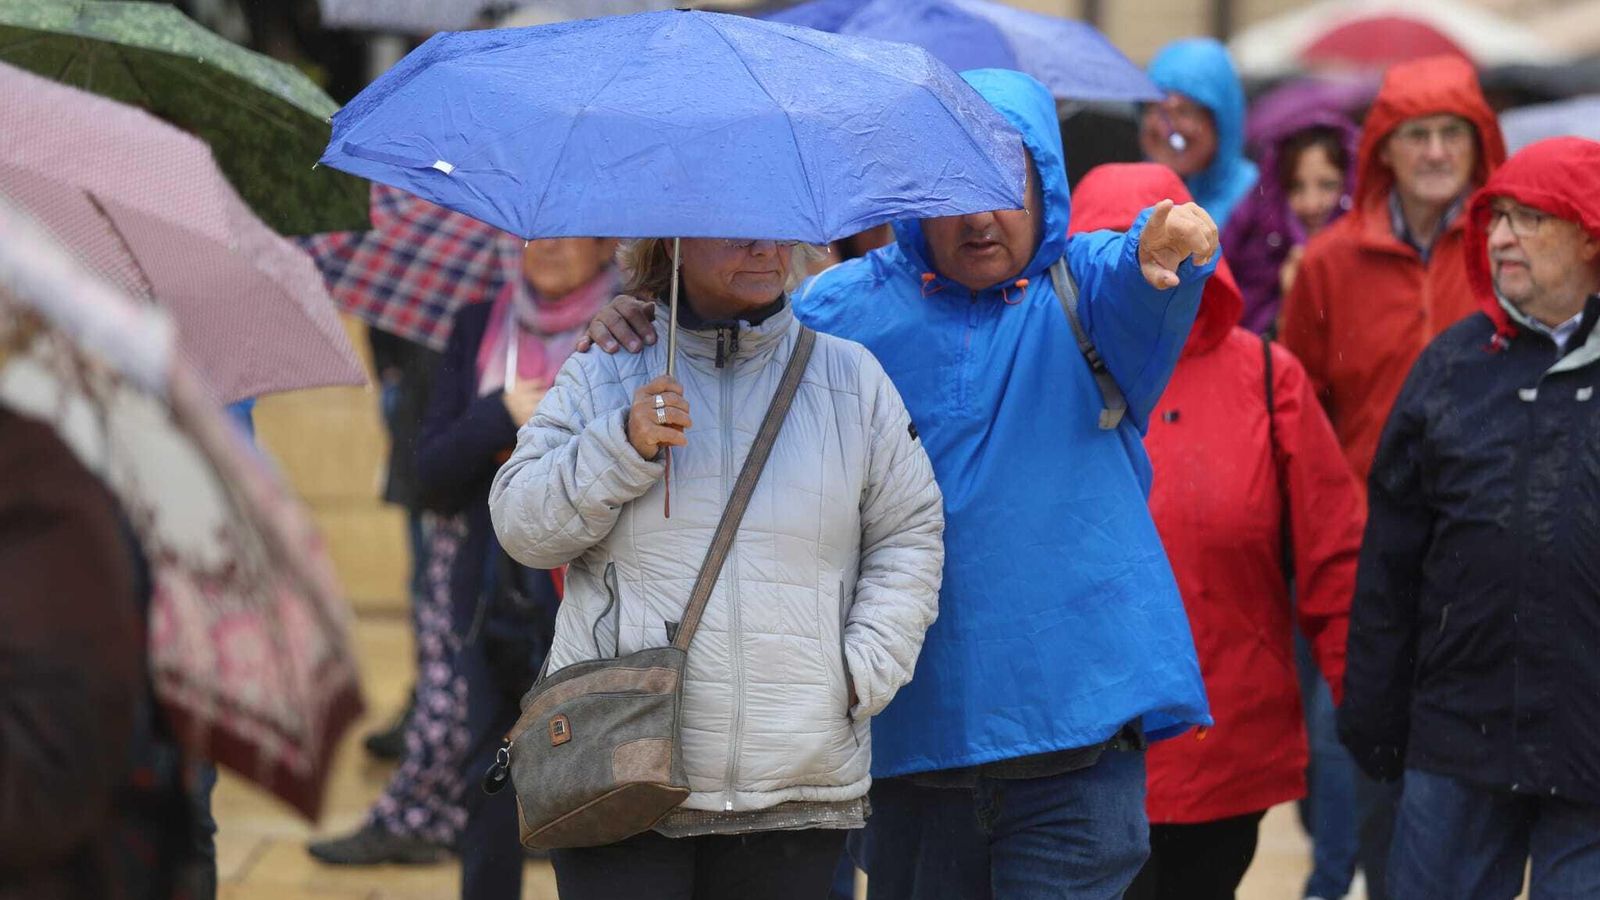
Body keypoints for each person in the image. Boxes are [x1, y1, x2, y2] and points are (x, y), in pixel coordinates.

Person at [576, 69, 1220, 899]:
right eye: (952, 187)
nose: (980, 215)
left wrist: (1164, 248)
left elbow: (1140, 270)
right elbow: (723, 340)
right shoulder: (839, 311)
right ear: (912, 195)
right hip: (911, 754)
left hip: (1077, 752)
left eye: (1005, 184)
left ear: (1045, 186)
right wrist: (639, 320)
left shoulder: (1085, 294)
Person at [490, 232, 945, 899]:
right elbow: (522, 527)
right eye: (735, 228)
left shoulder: (853, 381)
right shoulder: (608, 369)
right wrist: (621, 444)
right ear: (673, 242)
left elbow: (909, 534)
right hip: (621, 777)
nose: (764, 246)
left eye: (776, 225)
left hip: (794, 788)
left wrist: (855, 675)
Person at [1068, 163, 1362, 900]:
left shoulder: (1268, 378)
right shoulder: (1038, 373)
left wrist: (1361, 699)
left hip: (1226, 748)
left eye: (1164, 253)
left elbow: (1336, 555)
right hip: (1078, 753)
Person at [309, 239, 617, 893]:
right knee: (489, 774)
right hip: (488, 597)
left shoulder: (629, 330)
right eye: (534, 234)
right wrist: (498, 414)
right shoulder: (479, 324)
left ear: (604, 247)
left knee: (587, 785)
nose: (551, 248)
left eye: (568, 232)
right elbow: (429, 475)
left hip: (590, 601)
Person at [1339, 136, 1600, 899]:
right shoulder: (1452, 366)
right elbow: (1391, 557)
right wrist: (1374, 716)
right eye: (1496, 218)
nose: (1500, 237)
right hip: (1459, 734)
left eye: (1530, 219)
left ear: (1590, 233)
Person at [1278, 55, 1508, 900]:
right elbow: (1301, 405)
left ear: (1481, 146)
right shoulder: (1334, 262)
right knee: (1353, 755)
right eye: (1420, 135)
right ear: (1386, 150)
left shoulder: (1509, 245)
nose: (1439, 151)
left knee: (1469, 769)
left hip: (1484, 550)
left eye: (1455, 133)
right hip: (1365, 557)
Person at [1223, 108, 1358, 335]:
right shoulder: (1255, 252)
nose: (1311, 204)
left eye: (1327, 185)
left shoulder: (1370, 258)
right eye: (1296, 187)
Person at [1141, 38, 1259, 228]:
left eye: (1185, 111)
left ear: (1222, 120)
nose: (1166, 129)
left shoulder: (1258, 200)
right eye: (1155, 108)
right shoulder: (1128, 192)